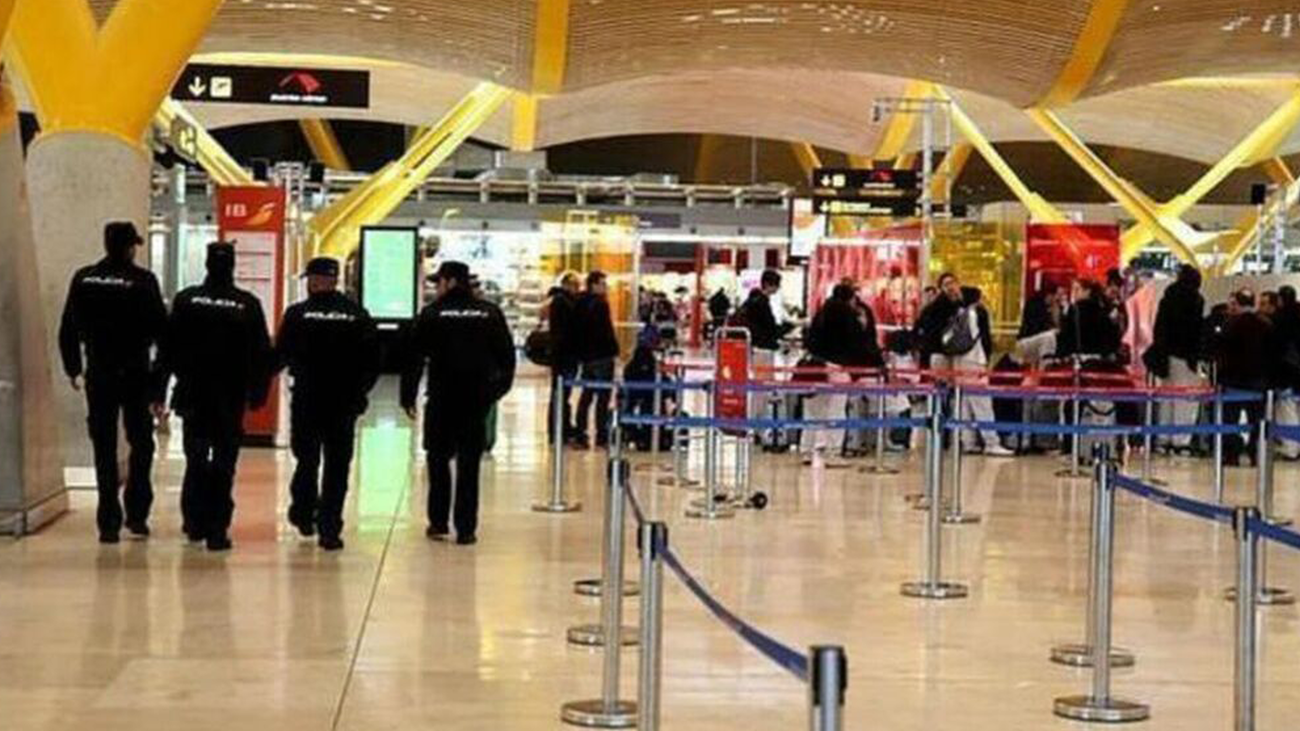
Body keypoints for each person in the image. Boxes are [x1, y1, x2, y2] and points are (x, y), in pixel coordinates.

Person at [157, 243, 272, 551]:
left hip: (192, 393)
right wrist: (259, 393)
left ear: (207, 264)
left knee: (195, 458)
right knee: (223, 462)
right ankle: (217, 529)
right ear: (233, 266)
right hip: (229, 397)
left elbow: (167, 349)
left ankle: (194, 521)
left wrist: (158, 390)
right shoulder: (246, 304)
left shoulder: (187, 300)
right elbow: (261, 354)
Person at [58, 222, 168, 543]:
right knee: (142, 444)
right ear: (130, 247)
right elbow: (163, 335)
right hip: (136, 373)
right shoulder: (143, 281)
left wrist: (73, 368)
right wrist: (159, 383)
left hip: (100, 373)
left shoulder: (84, 278)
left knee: (104, 447)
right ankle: (136, 513)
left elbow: (68, 328)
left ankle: (108, 520)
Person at [401, 261, 515, 545]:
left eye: (438, 282)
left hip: (442, 398)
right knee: (469, 464)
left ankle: (438, 522)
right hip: (475, 400)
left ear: (450, 282)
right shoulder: (490, 313)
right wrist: (494, 393)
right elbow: (507, 358)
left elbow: (413, 357)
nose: (436, 288)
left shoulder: (432, 313)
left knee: (437, 459)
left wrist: (408, 395)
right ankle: (466, 528)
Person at [273, 257, 380, 551]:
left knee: (306, 459)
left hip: (308, 397)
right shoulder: (357, 314)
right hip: (343, 402)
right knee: (337, 465)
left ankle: (304, 512)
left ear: (319, 280)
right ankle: (330, 529)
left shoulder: (298, 314)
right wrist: (360, 393)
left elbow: (280, 354)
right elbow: (372, 360)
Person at [801, 284, 875, 465]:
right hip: (838, 367)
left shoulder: (822, 311)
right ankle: (832, 452)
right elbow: (858, 342)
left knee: (813, 411)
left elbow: (809, 339)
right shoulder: (849, 316)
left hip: (816, 365)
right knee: (836, 410)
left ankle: (806, 450)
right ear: (850, 298)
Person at [1147, 265, 1206, 454]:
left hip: (1166, 355)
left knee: (1167, 397)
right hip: (1186, 356)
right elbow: (1195, 331)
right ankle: (1181, 441)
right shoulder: (1195, 300)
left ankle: (1163, 439)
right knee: (1186, 399)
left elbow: (1159, 328)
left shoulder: (1167, 298)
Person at [1216, 290, 1275, 466]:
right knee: (1257, 420)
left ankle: (1231, 454)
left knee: (1230, 420)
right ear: (1254, 302)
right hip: (1258, 381)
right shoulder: (1266, 324)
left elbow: (1222, 353)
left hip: (1233, 381)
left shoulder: (1230, 324)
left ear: (1238, 303)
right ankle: (1255, 453)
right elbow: (1273, 354)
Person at [573, 271, 620, 449]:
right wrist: (613, 350)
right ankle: (601, 435)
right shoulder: (600, 304)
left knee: (586, 395)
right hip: (602, 355)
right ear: (593, 284)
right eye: (602, 284)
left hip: (587, 357)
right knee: (603, 396)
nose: (605, 287)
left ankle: (581, 433)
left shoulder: (579, 302)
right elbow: (605, 331)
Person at [547, 273, 581, 445]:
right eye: (575, 285)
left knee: (562, 394)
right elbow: (567, 329)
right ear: (567, 284)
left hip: (564, 355)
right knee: (560, 393)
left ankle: (562, 427)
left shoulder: (561, 301)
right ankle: (558, 429)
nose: (578, 288)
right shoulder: (562, 302)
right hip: (564, 355)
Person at [1273, 286, 1300, 459]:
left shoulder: (1280, 318)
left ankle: (1291, 447)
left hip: (1287, 372)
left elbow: (1276, 347)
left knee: (1286, 410)